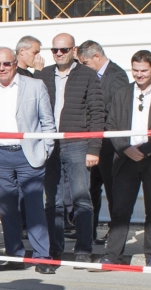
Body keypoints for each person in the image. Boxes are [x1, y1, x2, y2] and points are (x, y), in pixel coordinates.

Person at [102, 50, 151, 267]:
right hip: (126, 159)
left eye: (144, 71)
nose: (139, 75)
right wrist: (126, 148)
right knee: (120, 209)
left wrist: (146, 150)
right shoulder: (121, 93)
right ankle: (112, 255)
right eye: (135, 71)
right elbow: (111, 126)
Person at [0, 46, 56, 272]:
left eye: (6, 63)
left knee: (34, 208)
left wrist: (44, 151)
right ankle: (15, 256)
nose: (2, 68)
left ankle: (43, 258)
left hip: (28, 155)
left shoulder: (35, 86)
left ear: (15, 63)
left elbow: (48, 123)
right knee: (7, 209)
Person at [37, 30, 104, 263]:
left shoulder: (87, 75)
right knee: (52, 199)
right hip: (49, 144)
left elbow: (97, 113)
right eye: (55, 50)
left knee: (81, 198)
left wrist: (94, 148)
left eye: (64, 49)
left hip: (77, 143)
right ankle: (55, 248)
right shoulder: (43, 75)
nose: (58, 53)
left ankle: (83, 249)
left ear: (74, 51)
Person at [80, 41, 125, 240]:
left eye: (85, 62)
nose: (83, 67)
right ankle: (88, 231)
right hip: (91, 142)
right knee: (90, 188)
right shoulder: (91, 75)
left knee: (112, 188)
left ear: (96, 57)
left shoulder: (117, 76)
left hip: (108, 144)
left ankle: (115, 232)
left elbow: (116, 108)